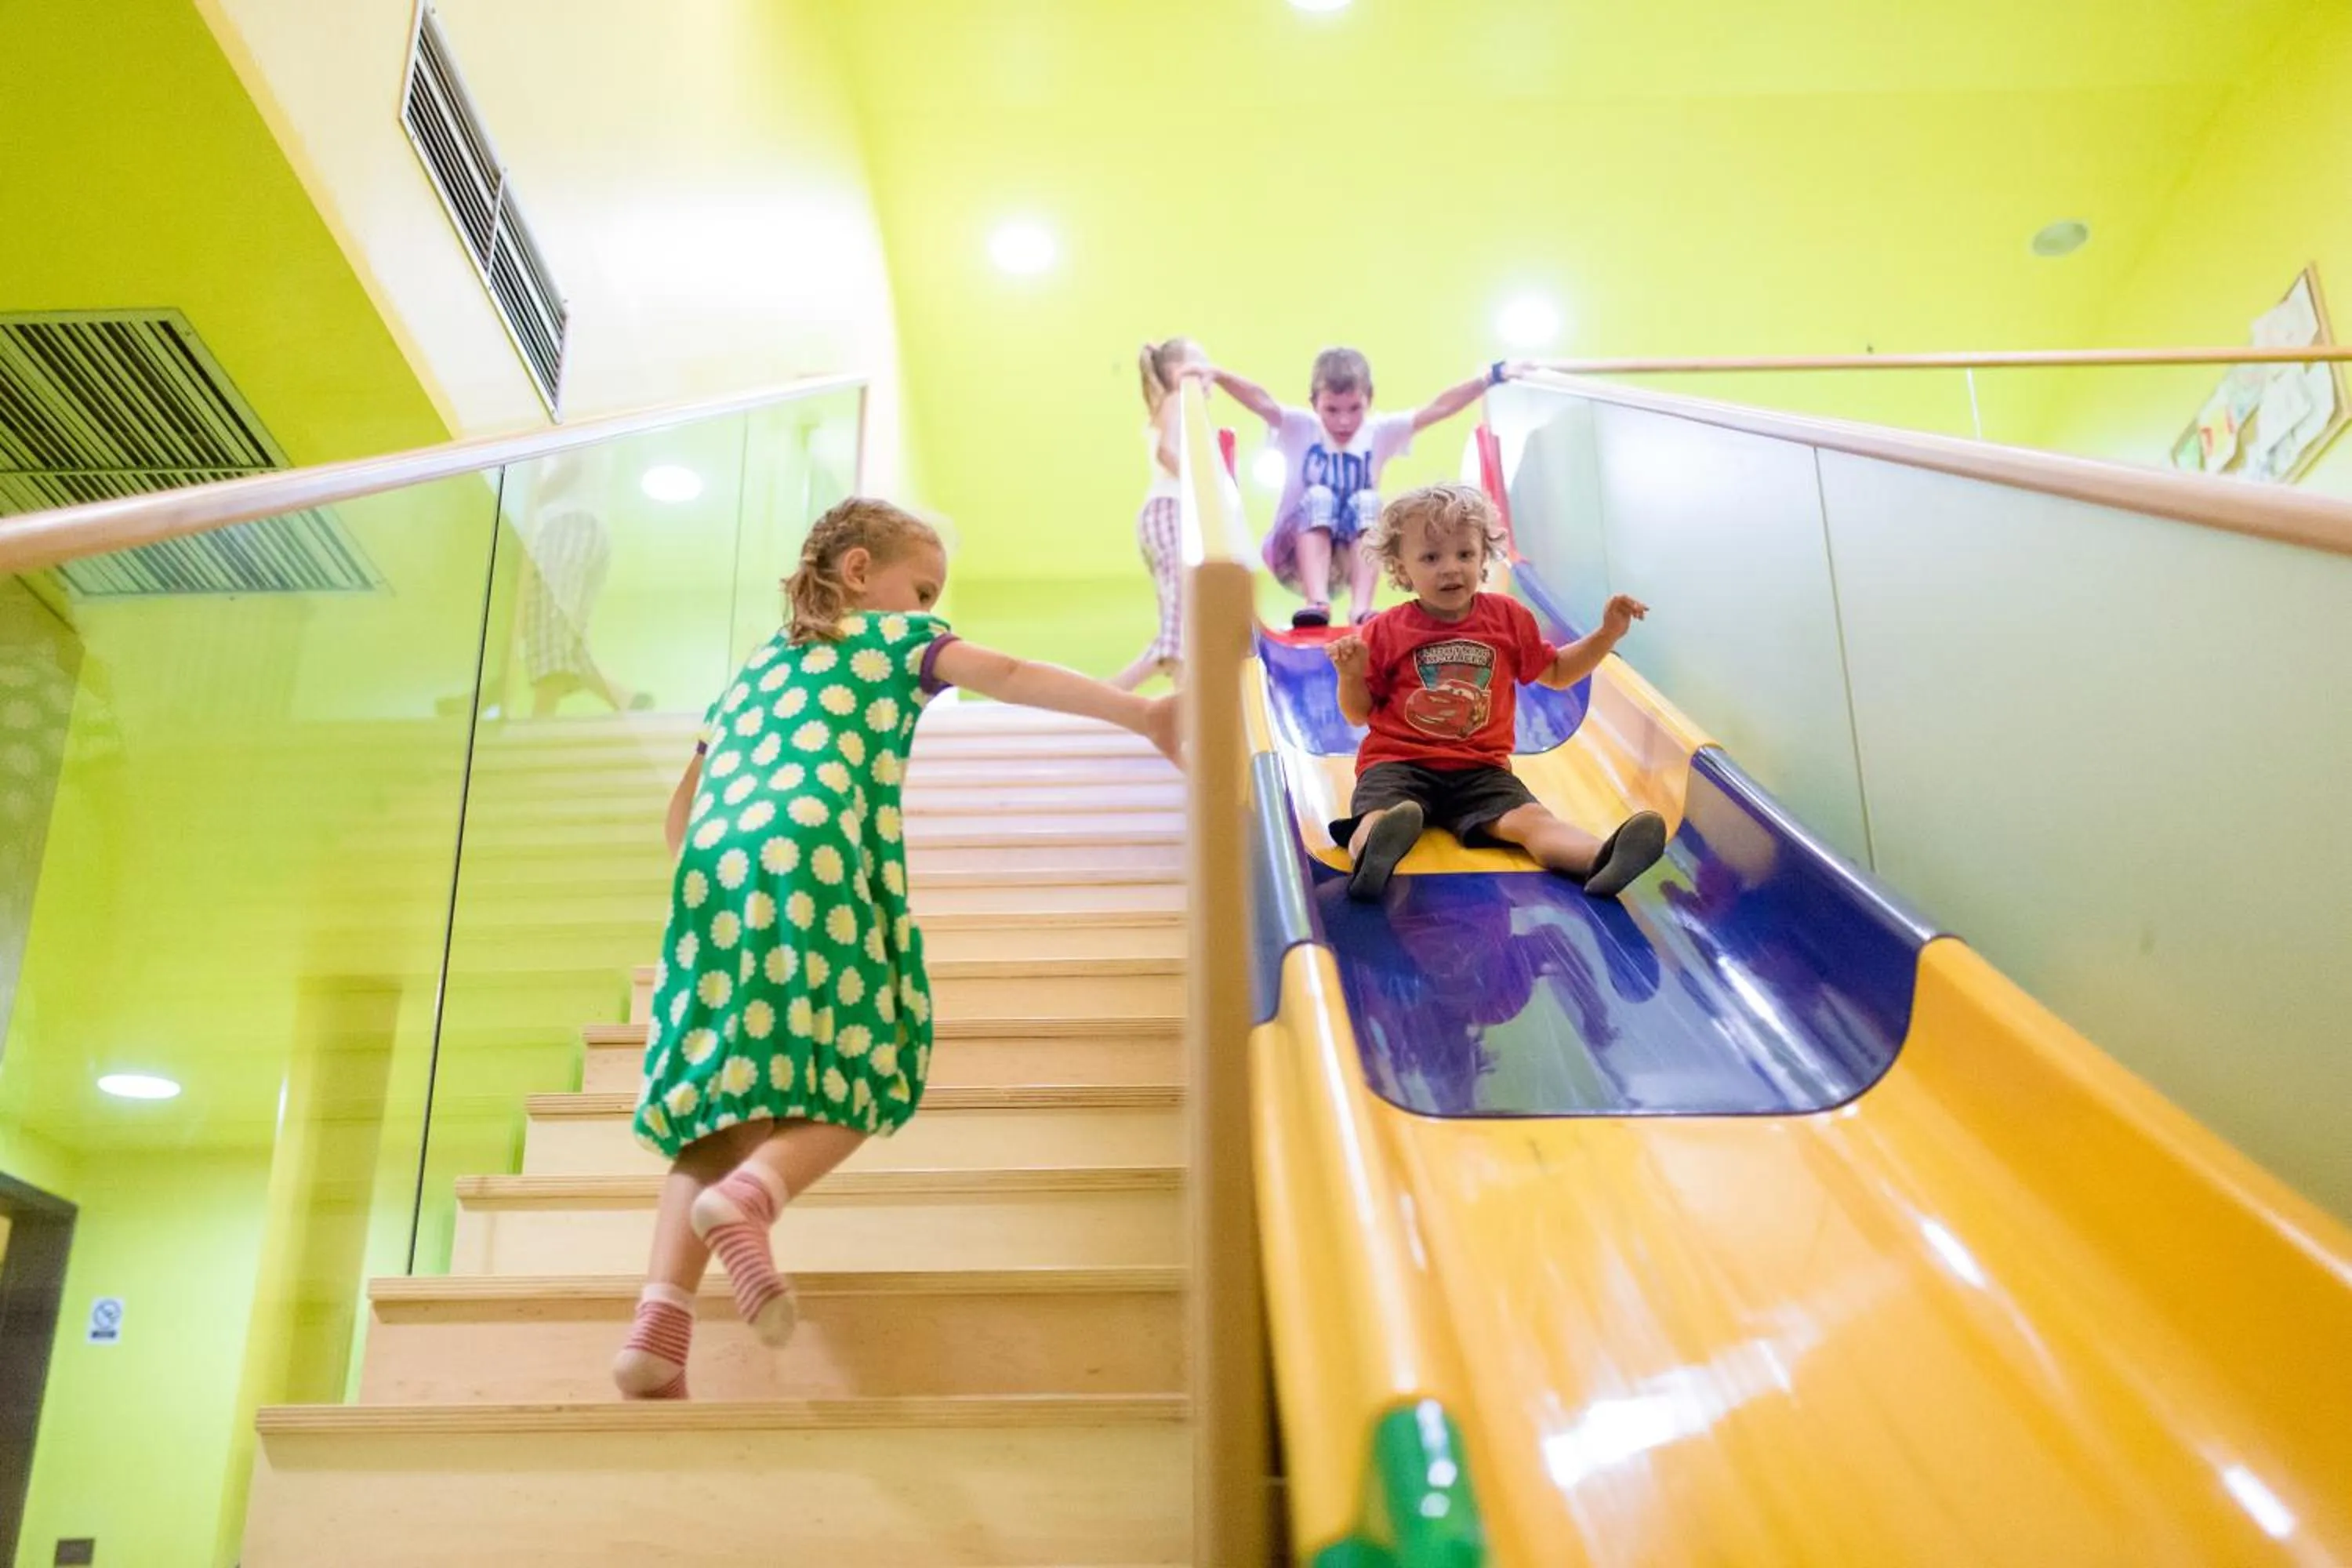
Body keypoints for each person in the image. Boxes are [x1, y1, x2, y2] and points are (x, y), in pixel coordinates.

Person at [611, 497, 1181, 1399]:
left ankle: (657, 1328)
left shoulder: (756, 668)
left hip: (713, 880)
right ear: (858, 572)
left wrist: (717, 885)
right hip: (816, 847)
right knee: (878, 1053)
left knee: (717, 1109)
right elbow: (1010, 670)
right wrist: (1142, 717)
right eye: (922, 590)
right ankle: (755, 1198)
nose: (928, 609)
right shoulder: (889, 642)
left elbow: (678, 812)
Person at [1325, 482, 1668, 903]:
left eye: (1464, 554)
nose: (1450, 568)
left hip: (1481, 771)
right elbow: (1358, 714)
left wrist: (1607, 633)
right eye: (1431, 557)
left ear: (1483, 555)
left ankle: (1601, 858)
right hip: (1399, 763)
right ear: (1401, 565)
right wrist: (1351, 676)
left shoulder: (1507, 618)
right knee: (1382, 814)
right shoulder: (1386, 630)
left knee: (1532, 820)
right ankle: (1371, 855)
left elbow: (1557, 672)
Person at [1208, 350, 1523, 629]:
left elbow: (1437, 408)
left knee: (1367, 501)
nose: (1344, 421)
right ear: (1314, 403)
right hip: (1290, 556)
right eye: (1332, 410)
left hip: (1345, 559)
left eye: (1354, 409)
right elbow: (1260, 400)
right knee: (1320, 497)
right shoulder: (1300, 427)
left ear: (1369, 400)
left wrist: (1489, 378)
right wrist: (1216, 373)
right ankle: (1316, 603)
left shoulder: (1379, 433)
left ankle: (1361, 608)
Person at [517, 449, 652, 717]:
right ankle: (624, 698)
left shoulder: (569, 430)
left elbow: (571, 464)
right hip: (588, 529)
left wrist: (527, 501)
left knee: (548, 621)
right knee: (567, 632)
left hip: (566, 525)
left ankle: (542, 716)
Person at [1112, 336, 1212, 691]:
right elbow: (1166, 453)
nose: (1209, 371)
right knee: (1179, 621)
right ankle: (1110, 691)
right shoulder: (1176, 400)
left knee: (1186, 619)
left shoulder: (1188, 412)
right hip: (1168, 509)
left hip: (1171, 513)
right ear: (1176, 372)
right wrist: (1203, 484)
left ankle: (1183, 703)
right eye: (1200, 362)